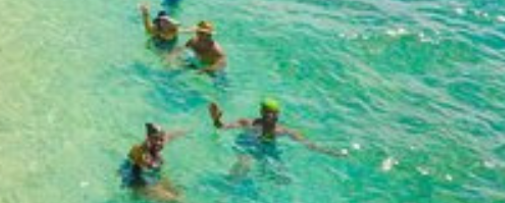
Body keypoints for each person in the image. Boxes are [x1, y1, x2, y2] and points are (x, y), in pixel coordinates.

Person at [209, 99, 346, 160]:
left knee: (282, 178)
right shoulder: (248, 122)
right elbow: (221, 128)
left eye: (274, 112)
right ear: (261, 111)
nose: (270, 115)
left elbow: (309, 145)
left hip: (268, 148)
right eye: (267, 112)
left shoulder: (283, 130)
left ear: (278, 113)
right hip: (246, 144)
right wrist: (216, 119)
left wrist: (330, 152)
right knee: (244, 166)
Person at [121, 122, 184, 199]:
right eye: (155, 139)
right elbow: (137, 154)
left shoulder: (157, 152)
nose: (158, 143)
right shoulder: (140, 151)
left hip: (151, 178)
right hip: (137, 183)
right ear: (148, 139)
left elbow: (168, 137)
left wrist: (182, 132)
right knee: (173, 200)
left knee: (178, 194)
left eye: (161, 140)